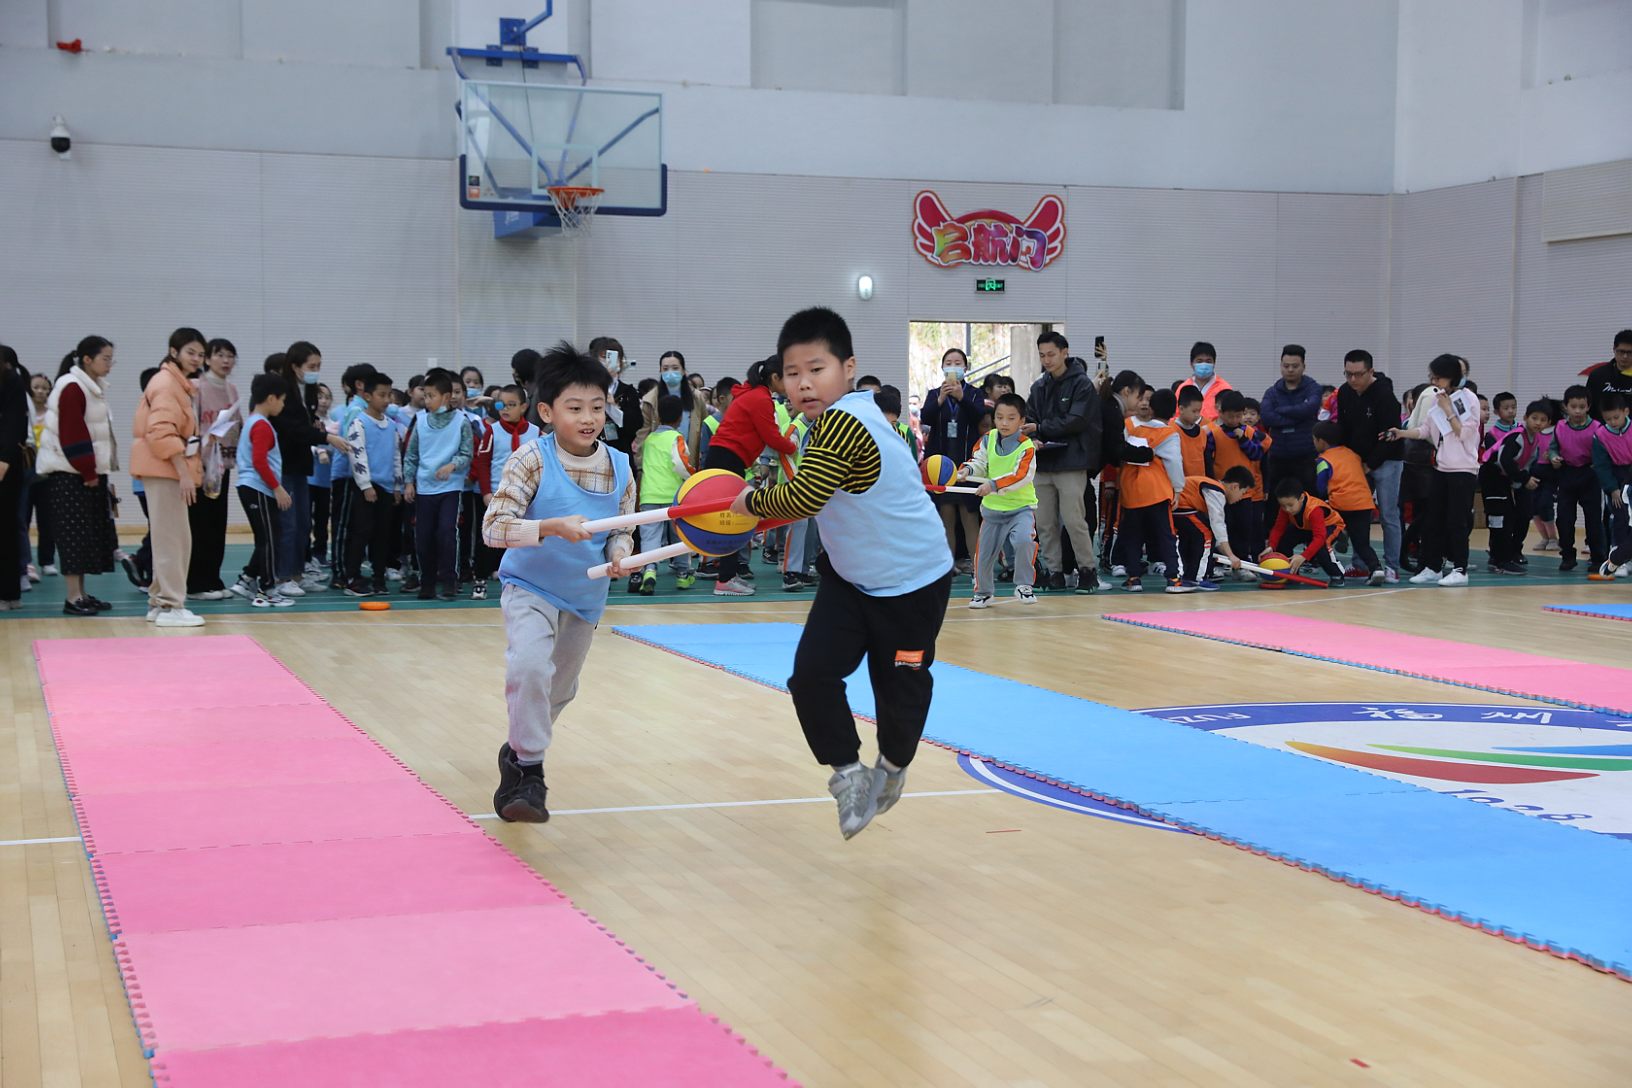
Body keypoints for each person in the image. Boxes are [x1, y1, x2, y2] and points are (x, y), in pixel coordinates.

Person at [731, 307, 952, 840]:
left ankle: (892, 768)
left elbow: (804, 497)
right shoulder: (821, 423)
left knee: (897, 692)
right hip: (850, 580)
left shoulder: (845, 421)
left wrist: (745, 505)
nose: (804, 383)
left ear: (848, 368)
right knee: (811, 676)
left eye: (817, 369)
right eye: (792, 373)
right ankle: (849, 774)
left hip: (914, 584)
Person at [484, 342, 637, 823]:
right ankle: (530, 773)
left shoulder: (619, 465)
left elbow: (623, 530)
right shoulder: (530, 459)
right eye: (575, 408)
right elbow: (493, 527)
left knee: (558, 691)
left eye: (597, 406)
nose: (589, 417)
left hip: (585, 597)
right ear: (547, 412)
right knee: (529, 668)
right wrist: (549, 526)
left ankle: (517, 753)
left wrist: (619, 554)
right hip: (531, 587)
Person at [39, 337, 120, 616]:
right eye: (105, 359)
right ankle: (73, 598)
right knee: (73, 535)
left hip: (85, 473)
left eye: (111, 359)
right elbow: (73, 433)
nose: (110, 364)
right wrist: (87, 469)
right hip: (70, 475)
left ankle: (82, 594)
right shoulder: (72, 387)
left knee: (85, 535)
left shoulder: (89, 386)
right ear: (87, 359)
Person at [130, 328, 207, 627]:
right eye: (191, 352)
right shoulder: (166, 384)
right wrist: (183, 472)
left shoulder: (176, 383)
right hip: (166, 469)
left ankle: (158, 602)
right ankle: (173, 606)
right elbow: (161, 430)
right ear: (173, 352)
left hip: (165, 468)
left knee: (170, 537)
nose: (196, 359)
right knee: (173, 539)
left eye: (200, 354)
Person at [704, 355, 798, 596]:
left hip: (727, 457)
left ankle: (729, 575)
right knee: (730, 519)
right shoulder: (760, 398)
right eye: (788, 377)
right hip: (726, 458)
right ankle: (724, 580)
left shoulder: (753, 393)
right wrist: (793, 448)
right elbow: (772, 437)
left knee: (733, 518)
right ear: (775, 378)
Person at [1388, 355, 1480, 587]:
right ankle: (1433, 567)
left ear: (1451, 376)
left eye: (1437, 377)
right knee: (1434, 519)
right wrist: (1401, 432)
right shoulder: (1436, 398)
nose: (1434, 381)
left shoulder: (1467, 398)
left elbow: (1465, 433)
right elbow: (1425, 430)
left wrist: (1448, 409)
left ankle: (1460, 569)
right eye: (1432, 377)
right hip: (1440, 467)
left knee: (1456, 521)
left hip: (1463, 470)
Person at [1022, 332, 1103, 592]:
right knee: (1045, 522)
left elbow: (1077, 420)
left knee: (1074, 519)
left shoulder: (1081, 384)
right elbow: (1029, 421)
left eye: (1051, 354)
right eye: (1042, 355)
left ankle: (1087, 570)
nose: (1047, 360)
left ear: (1064, 352)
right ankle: (1054, 571)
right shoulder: (1038, 387)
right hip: (1043, 463)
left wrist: (1041, 428)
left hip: (1071, 461)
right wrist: (1034, 437)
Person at [269, 342, 349, 598]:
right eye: (311, 366)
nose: (316, 371)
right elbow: (293, 429)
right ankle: (281, 577)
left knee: (304, 523)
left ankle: (297, 575)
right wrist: (325, 437)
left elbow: (308, 424)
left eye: (318, 366)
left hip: (301, 466)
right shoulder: (284, 393)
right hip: (284, 465)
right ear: (295, 367)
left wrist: (318, 430)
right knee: (288, 524)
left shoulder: (310, 393)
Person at [960, 392, 1037, 608]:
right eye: (1000, 417)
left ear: (1022, 421)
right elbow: (979, 462)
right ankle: (983, 592)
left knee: (1024, 541)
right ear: (994, 418)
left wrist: (993, 484)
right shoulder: (988, 438)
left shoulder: (1027, 446)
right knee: (983, 555)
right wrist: (968, 470)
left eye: (1011, 418)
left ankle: (1024, 585)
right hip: (992, 510)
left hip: (1020, 509)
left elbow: (1020, 475)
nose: (1004, 422)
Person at [403, 368, 474, 601]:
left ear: (445, 397)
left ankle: (449, 580)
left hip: (450, 488)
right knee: (423, 536)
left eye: (432, 395)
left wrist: (453, 465)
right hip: (424, 488)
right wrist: (408, 482)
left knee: (446, 532)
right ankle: (427, 581)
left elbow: (467, 452)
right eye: (425, 396)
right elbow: (411, 454)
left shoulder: (461, 422)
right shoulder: (421, 422)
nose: (427, 400)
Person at [1335, 349, 1403, 582]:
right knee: (1357, 514)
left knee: (1388, 515)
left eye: (1358, 374)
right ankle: (1360, 564)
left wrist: (1371, 464)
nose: (1353, 380)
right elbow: (1343, 427)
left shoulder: (1384, 396)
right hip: (1358, 462)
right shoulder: (1344, 392)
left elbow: (1391, 435)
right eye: (1348, 374)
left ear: (1370, 372)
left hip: (1387, 461)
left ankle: (1392, 566)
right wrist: (1349, 461)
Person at [919, 348, 987, 576]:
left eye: (958, 362)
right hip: (940, 466)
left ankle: (979, 566)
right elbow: (925, 418)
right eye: (948, 362)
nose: (953, 365)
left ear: (965, 368)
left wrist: (961, 398)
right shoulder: (933, 393)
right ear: (942, 367)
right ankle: (946, 566)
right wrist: (940, 399)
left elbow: (979, 416)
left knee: (970, 517)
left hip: (967, 465)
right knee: (945, 517)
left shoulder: (975, 394)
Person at [1117, 388, 1189, 593]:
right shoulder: (1169, 433)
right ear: (1175, 410)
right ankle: (1173, 579)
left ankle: (1134, 578)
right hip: (1157, 490)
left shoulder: (1131, 428)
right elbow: (1175, 462)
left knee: (1133, 536)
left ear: (1151, 408)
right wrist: (1178, 488)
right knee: (1166, 534)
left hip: (1131, 490)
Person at [471, 385, 538, 599]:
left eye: (511, 405)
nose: (505, 409)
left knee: (522, 539)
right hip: (496, 495)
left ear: (524, 407)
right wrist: (485, 492)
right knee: (487, 538)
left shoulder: (536, 433)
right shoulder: (492, 431)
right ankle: (479, 579)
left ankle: (524, 581)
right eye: (501, 405)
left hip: (525, 497)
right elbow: (483, 462)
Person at [187, 338, 239, 601]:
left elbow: (237, 425)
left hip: (222, 466)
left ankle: (213, 579)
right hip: (200, 465)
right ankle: (196, 583)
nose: (226, 361)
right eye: (220, 355)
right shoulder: (196, 387)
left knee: (218, 524)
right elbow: (190, 425)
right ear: (207, 359)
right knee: (200, 524)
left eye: (230, 356)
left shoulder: (231, 389)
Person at [237, 373, 295, 607]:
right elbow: (259, 461)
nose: (283, 405)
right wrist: (277, 488)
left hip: (256, 489)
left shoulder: (255, 421)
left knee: (267, 538)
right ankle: (267, 590)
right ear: (271, 398)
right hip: (258, 489)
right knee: (271, 540)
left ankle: (248, 579)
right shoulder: (261, 425)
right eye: (282, 399)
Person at [342, 372, 402, 597]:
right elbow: (357, 455)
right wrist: (365, 485)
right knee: (362, 531)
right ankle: (353, 578)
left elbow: (396, 457)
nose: (386, 400)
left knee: (382, 534)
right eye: (381, 395)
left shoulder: (391, 426)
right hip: (366, 488)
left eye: (389, 395)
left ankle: (378, 577)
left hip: (386, 488)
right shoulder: (360, 423)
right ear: (367, 396)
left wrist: (397, 486)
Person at [1478, 400, 1551, 575]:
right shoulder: (1518, 435)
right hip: (1491, 476)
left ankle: (1500, 556)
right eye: (1534, 418)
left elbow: (1524, 463)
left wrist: (1520, 482)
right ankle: (1500, 560)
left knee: (1511, 517)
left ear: (1548, 423)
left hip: (1503, 479)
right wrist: (1523, 479)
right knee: (1500, 519)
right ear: (1525, 418)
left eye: (1543, 420)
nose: (1538, 423)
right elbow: (1503, 460)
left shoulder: (1536, 439)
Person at [634, 394, 696, 594]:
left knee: (650, 536)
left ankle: (650, 571)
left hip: (649, 495)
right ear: (680, 418)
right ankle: (683, 575)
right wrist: (694, 476)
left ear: (658, 417)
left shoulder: (649, 439)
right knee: (679, 536)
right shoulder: (676, 438)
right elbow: (681, 463)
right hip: (673, 496)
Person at [325, 363, 378, 594]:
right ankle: (340, 573)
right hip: (347, 475)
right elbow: (350, 442)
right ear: (360, 386)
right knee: (343, 526)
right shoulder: (356, 409)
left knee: (355, 526)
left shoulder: (365, 408)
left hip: (356, 476)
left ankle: (347, 570)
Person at [1313, 421, 1384, 584]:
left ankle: (1333, 566)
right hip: (1364, 503)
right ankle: (1376, 569)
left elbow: (1320, 486)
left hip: (1341, 504)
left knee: (1326, 537)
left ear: (1321, 441)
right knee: (1362, 544)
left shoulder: (1323, 460)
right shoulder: (1353, 454)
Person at [1211, 390, 1269, 572]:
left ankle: (1241, 563)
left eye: (1238, 415)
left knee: (1243, 529)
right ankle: (1220, 563)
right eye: (1230, 416)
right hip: (1221, 492)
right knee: (1222, 527)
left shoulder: (1251, 434)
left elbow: (1257, 454)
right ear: (1221, 412)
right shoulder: (1214, 434)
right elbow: (1208, 460)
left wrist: (1243, 439)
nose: (1234, 420)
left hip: (1244, 493)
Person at [1259, 345, 1323, 497]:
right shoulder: (1272, 392)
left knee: (1307, 500)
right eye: (1286, 366)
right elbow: (1266, 417)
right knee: (1275, 502)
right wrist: (1299, 415)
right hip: (1277, 456)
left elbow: (1310, 409)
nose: (1290, 370)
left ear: (1303, 366)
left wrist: (1280, 410)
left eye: (1295, 366)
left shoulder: (1313, 388)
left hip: (1305, 456)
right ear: (1281, 366)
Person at [1551, 386, 1603, 573]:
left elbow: (1604, 451)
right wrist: (1554, 457)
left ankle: (1598, 558)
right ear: (1566, 406)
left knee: (1593, 521)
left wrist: (1598, 464)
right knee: (1564, 519)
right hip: (1567, 476)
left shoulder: (1597, 428)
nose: (1578, 411)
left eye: (1582, 406)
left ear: (1589, 406)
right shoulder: (1559, 427)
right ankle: (1567, 556)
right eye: (1574, 406)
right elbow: (1552, 448)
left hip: (1590, 477)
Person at [635, 350, 707, 480]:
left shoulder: (696, 398)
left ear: (683, 371)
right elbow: (642, 435)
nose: (670, 372)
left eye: (675, 368)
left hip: (689, 463)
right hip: (658, 466)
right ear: (660, 372)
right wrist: (640, 466)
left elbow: (703, 427)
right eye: (665, 368)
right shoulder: (650, 400)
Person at [1173, 469, 1250, 590]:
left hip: (1176, 506)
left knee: (1203, 533)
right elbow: (1217, 524)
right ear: (1235, 487)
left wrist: (1225, 551)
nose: (1240, 498)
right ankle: (1197, 578)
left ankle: (1190, 574)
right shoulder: (1217, 491)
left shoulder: (1213, 487)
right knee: (1206, 534)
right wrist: (1230, 555)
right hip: (1181, 506)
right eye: (1243, 493)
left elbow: (1216, 528)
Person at [1264, 478, 1347, 586]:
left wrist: (1303, 557)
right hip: (1307, 527)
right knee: (1283, 539)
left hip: (1330, 526)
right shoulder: (1285, 508)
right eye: (1283, 506)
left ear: (1301, 498)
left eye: (1290, 505)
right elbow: (1278, 528)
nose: (1287, 509)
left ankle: (1337, 574)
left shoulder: (1314, 510)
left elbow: (1320, 537)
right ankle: (1292, 574)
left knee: (1321, 545)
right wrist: (1271, 546)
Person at [1588, 392, 1632, 581]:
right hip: (1617, 478)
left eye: (1616, 417)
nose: (1613, 422)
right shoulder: (1600, 436)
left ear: (1626, 412)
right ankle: (1618, 559)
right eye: (1608, 419)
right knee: (1618, 518)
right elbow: (1601, 465)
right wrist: (1612, 488)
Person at [0, 346, 27, 609]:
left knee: (6, 528)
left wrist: (5, 459)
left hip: (6, 466)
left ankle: (9, 592)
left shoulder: (12, 381)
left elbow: (14, 422)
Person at [25, 369, 55, 579]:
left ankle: (47, 561)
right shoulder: (23, 412)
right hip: (26, 471)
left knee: (47, 520)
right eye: (36, 387)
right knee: (22, 518)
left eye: (45, 388)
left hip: (46, 473)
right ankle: (26, 563)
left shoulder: (53, 414)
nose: (40, 392)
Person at [590, 336, 642, 457]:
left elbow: (635, 425)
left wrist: (614, 406)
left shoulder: (628, 392)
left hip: (620, 452)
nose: (608, 361)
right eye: (604, 357)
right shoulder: (587, 389)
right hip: (592, 451)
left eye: (613, 357)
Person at [1175, 341, 1233, 421]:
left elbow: (1230, 415)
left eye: (1208, 361)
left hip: (1214, 432)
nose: (1204, 364)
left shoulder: (1224, 388)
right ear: (1191, 364)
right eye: (1199, 361)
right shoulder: (1183, 387)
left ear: (1214, 363)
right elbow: (1175, 414)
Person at [1584, 330, 1632, 420]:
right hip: (1601, 431)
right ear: (1614, 349)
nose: (1625, 356)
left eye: (1629, 352)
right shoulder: (1597, 376)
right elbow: (1589, 409)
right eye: (1621, 352)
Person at [1172, 386, 1214, 478]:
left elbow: (1207, 462)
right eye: (1194, 411)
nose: (1197, 415)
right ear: (1181, 409)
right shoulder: (1171, 430)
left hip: (1200, 484)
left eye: (1199, 411)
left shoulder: (1202, 432)